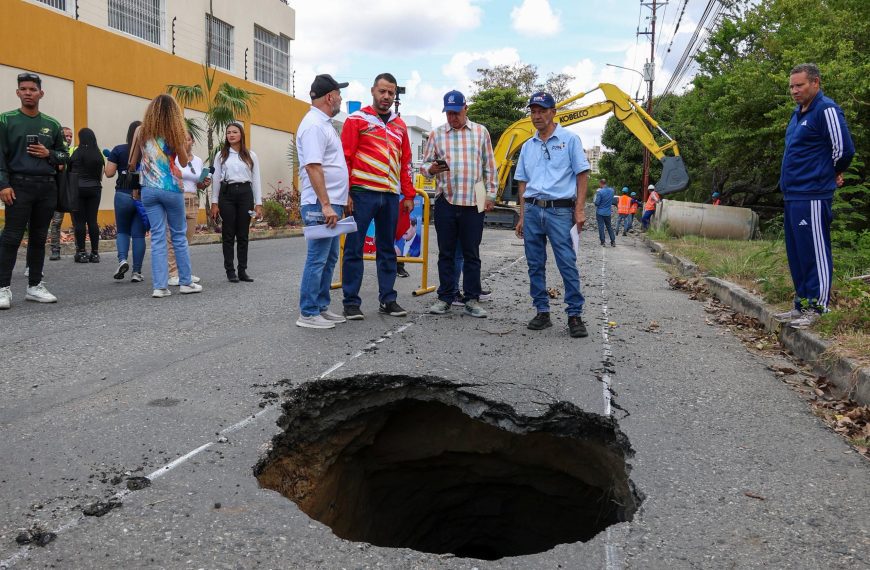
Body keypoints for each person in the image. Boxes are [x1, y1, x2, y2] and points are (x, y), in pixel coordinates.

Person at [775, 63, 854, 328]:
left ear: (815, 83)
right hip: (793, 194)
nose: (794, 91)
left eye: (800, 85)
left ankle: (818, 308)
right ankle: (802, 304)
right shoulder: (797, 114)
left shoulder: (826, 109)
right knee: (798, 252)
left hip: (813, 193)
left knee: (815, 250)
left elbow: (843, 149)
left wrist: (834, 172)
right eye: (791, 86)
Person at [513, 92, 590, 338]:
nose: (537, 116)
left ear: (553, 112)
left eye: (542, 111)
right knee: (535, 264)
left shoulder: (570, 140)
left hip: (561, 211)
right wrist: (523, 216)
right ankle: (542, 311)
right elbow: (522, 183)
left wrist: (579, 210)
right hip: (534, 209)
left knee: (566, 262)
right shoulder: (527, 146)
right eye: (533, 111)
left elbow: (582, 175)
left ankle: (575, 315)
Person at [340, 72, 415, 320]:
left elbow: (406, 163)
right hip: (362, 194)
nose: (386, 96)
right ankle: (351, 302)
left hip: (390, 196)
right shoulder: (356, 119)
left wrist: (409, 194)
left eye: (390, 93)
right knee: (354, 247)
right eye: (382, 91)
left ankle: (388, 300)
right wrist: (346, 192)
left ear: (395, 96)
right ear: (373, 91)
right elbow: (345, 158)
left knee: (387, 249)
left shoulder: (400, 125)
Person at [422, 89, 497, 318]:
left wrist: (490, 195)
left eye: (456, 112)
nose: (452, 118)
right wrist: (431, 169)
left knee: (471, 253)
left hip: (474, 201)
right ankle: (445, 297)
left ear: (466, 109)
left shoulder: (480, 132)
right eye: (448, 113)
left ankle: (472, 299)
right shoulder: (436, 135)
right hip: (447, 199)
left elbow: (489, 167)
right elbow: (424, 166)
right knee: (445, 252)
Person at [0, 72, 68, 310]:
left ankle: (34, 285)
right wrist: (3, 185)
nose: (28, 93)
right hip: (17, 186)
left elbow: (64, 155)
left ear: (41, 93)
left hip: (46, 187)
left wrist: (48, 153)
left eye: (33, 89)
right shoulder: (6, 120)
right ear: (18, 92)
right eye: (24, 89)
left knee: (39, 238)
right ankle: (2, 288)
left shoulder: (52, 124)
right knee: (11, 237)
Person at [295, 74, 350, 329]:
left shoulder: (325, 123)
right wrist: (326, 204)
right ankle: (307, 312)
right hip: (320, 204)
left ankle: (320, 306)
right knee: (317, 258)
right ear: (330, 96)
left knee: (328, 259)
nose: (340, 98)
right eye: (339, 94)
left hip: (331, 202)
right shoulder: (314, 125)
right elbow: (314, 167)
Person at [135, 94, 201, 298]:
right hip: (170, 188)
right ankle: (186, 282)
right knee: (179, 235)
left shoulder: (142, 132)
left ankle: (159, 286)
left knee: (157, 237)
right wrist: (180, 145)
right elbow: (182, 161)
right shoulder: (174, 133)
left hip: (148, 189)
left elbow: (140, 158)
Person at [210, 122, 262, 283]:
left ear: (241, 135)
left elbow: (256, 179)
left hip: (245, 195)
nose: (231, 135)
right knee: (228, 234)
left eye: (234, 132)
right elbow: (216, 180)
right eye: (228, 133)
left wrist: (258, 203)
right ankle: (230, 271)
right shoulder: (221, 155)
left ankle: (242, 270)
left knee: (243, 234)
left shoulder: (251, 155)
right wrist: (214, 202)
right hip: (228, 195)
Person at [105, 120, 145, 283]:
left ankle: (122, 260)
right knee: (138, 235)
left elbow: (108, 173)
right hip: (142, 196)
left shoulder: (119, 149)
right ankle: (136, 272)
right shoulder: (148, 152)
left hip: (122, 193)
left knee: (122, 230)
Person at [168, 131, 206, 286]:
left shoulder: (198, 161)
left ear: (193, 142)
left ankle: (184, 272)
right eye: (182, 140)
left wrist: (204, 182)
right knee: (173, 238)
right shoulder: (173, 159)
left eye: (188, 139)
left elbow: (199, 182)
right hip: (177, 197)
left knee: (187, 238)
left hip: (193, 199)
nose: (185, 142)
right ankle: (172, 273)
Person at [69, 128, 104, 263]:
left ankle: (82, 253)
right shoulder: (98, 154)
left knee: (79, 222)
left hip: (77, 189)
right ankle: (95, 253)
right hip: (94, 188)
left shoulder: (76, 153)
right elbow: (100, 174)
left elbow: (69, 169)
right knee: (92, 221)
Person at [47, 126, 74, 260]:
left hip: (63, 192)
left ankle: (55, 250)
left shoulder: (73, 152)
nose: (68, 138)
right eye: (66, 136)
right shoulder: (53, 151)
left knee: (57, 222)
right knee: (44, 221)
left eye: (70, 136)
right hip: (48, 190)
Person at [594, 178, 616, 247]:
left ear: (601, 183)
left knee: (601, 227)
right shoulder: (612, 191)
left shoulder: (600, 192)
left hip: (600, 212)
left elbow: (597, 203)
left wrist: (595, 198)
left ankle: (603, 241)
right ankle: (613, 241)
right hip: (608, 212)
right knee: (609, 226)